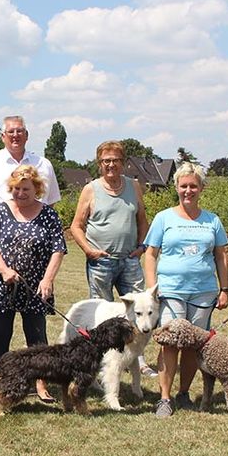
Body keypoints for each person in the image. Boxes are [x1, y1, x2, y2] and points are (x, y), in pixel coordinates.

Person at [0, 115, 61, 384]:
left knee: (35, 325)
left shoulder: (43, 164)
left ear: (27, 134)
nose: (15, 135)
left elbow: (50, 206)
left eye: (20, 131)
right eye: (10, 131)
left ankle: (40, 380)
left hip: (36, 257)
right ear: (2, 135)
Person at [143, 162, 228, 418]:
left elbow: (221, 256)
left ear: (201, 188)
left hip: (204, 291)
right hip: (170, 290)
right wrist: (152, 287)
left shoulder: (212, 220)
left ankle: (184, 393)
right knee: (170, 344)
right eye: (184, 186)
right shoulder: (163, 218)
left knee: (194, 345)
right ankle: (165, 398)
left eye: (193, 186)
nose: (188, 191)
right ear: (176, 187)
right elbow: (150, 254)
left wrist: (224, 288)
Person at [70, 140, 156, 377]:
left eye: (116, 160)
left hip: (129, 260)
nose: (111, 165)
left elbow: (142, 219)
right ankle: (101, 362)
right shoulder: (91, 189)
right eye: (106, 161)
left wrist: (141, 246)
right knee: (100, 316)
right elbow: (76, 226)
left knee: (141, 310)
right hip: (101, 262)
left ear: (124, 162)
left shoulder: (133, 186)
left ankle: (139, 362)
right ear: (100, 163)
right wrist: (89, 250)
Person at [0, 165, 66, 402]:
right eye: (16, 188)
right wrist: (4, 270)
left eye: (26, 189)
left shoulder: (48, 214)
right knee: (0, 336)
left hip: (36, 287)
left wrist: (48, 279)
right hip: (4, 284)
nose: (20, 193)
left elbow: (58, 249)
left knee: (37, 339)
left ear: (37, 189)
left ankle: (41, 384)